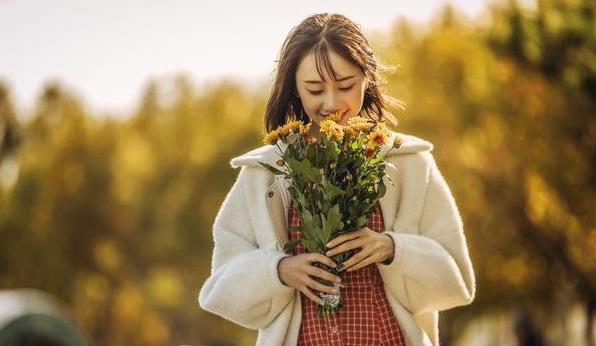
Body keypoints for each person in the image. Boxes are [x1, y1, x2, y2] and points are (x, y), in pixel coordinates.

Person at [198, 12, 476, 346]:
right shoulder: (263, 174)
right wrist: (279, 271)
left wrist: (391, 248)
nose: (331, 103)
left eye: (345, 86)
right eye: (314, 89)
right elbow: (220, 289)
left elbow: (456, 281)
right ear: (295, 89)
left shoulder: (411, 163)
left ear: (367, 78)